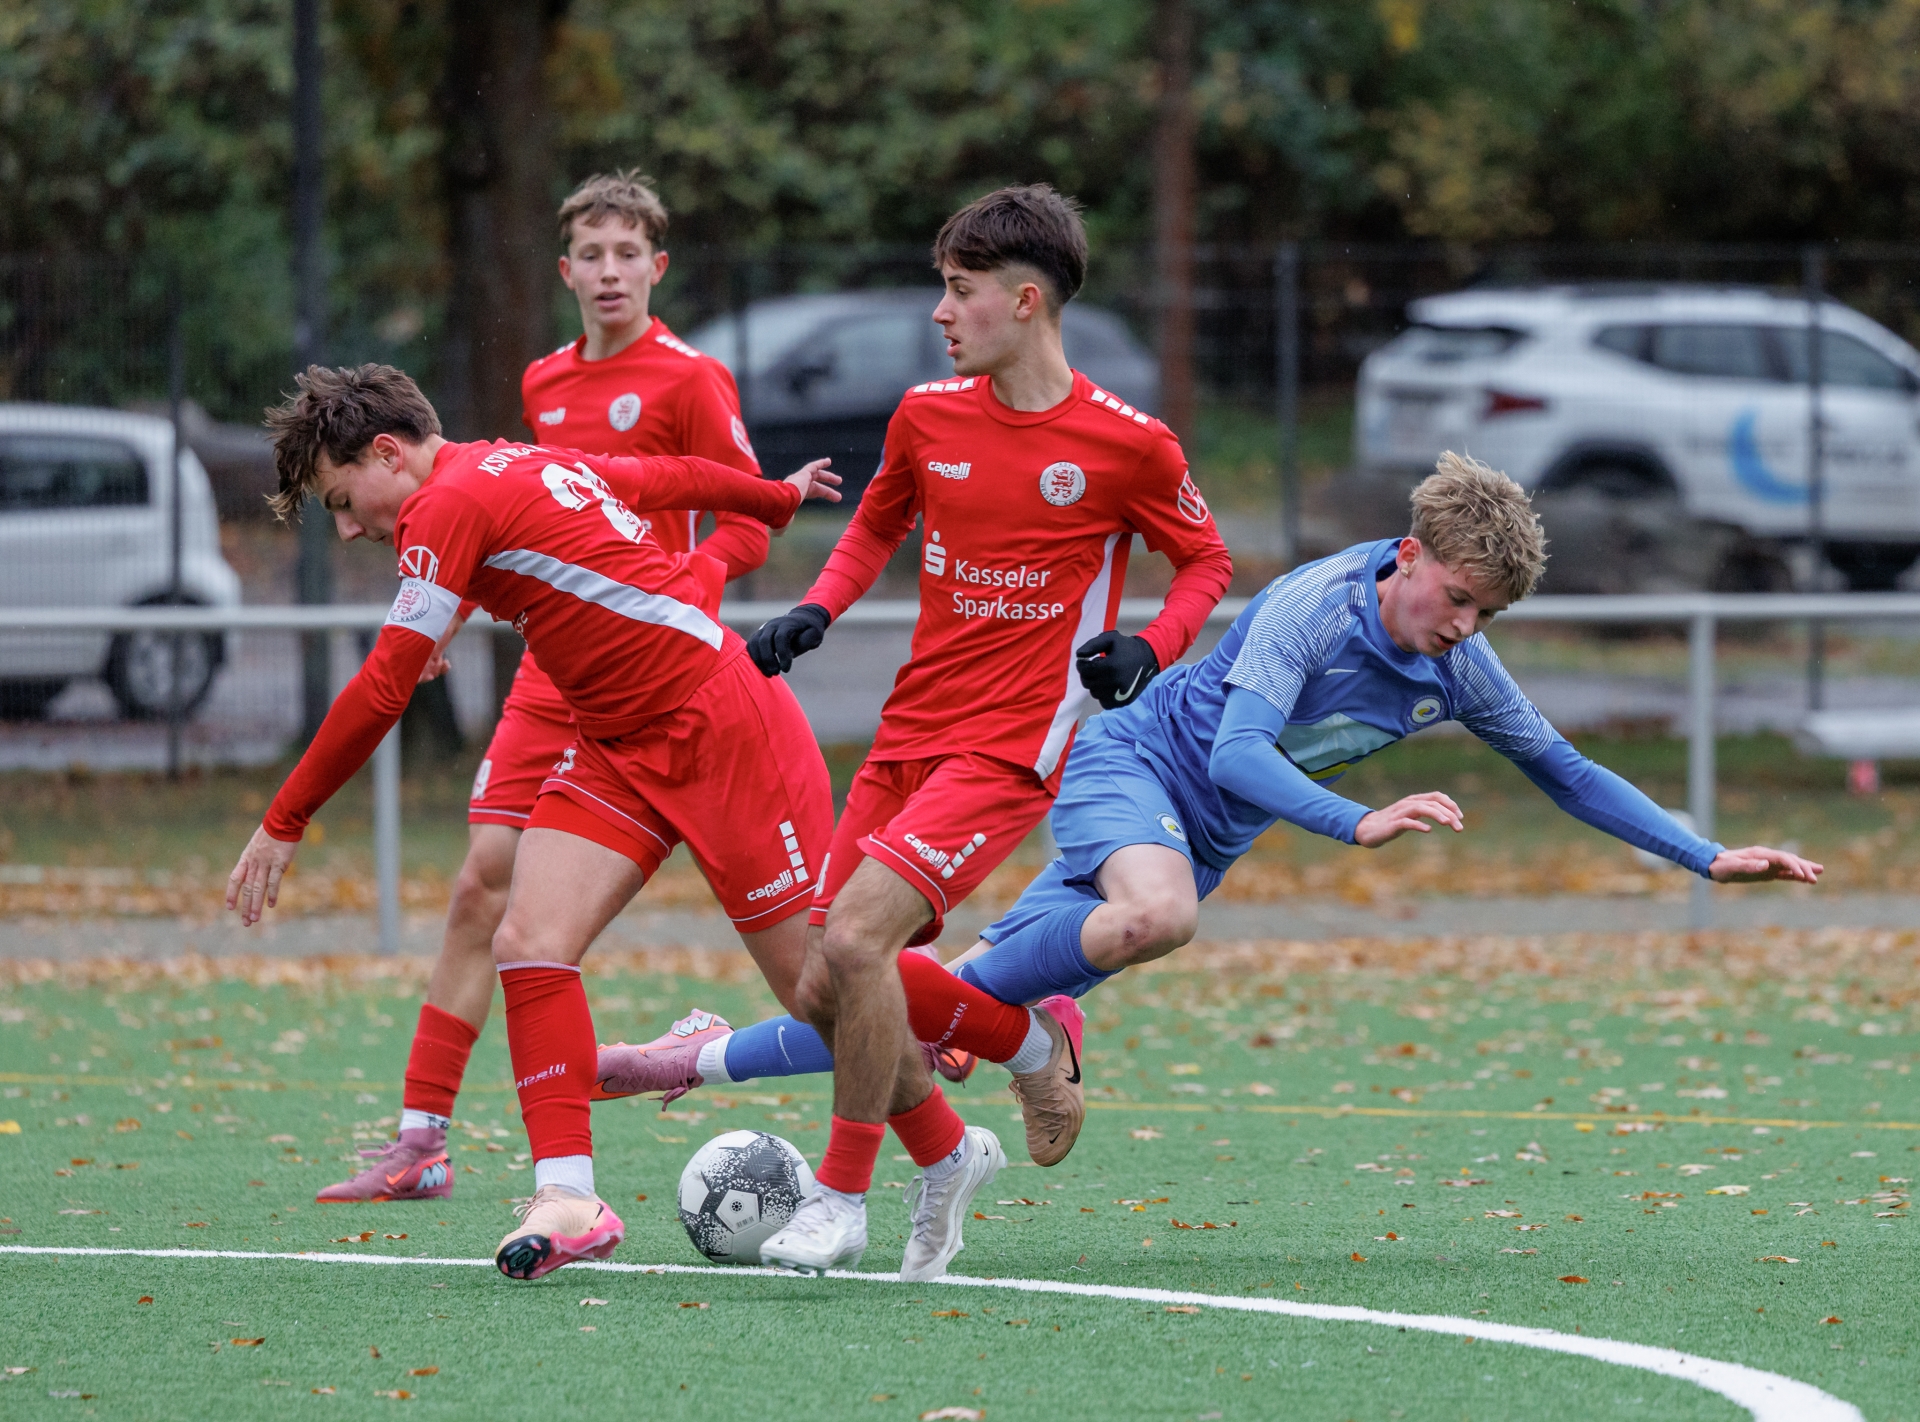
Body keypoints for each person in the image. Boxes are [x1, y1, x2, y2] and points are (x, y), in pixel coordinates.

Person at [226, 362, 842, 1280]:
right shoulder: (506, 462)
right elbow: (659, 479)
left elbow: (384, 686)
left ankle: (1000, 1029)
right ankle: (569, 1197)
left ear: (388, 453)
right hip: (617, 742)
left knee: (827, 994)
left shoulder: (445, 503)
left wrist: (285, 820)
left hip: (716, 724)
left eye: (343, 501)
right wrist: (774, 498)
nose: (348, 527)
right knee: (527, 940)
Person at [731, 184, 1234, 1279]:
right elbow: (874, 526)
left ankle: (840, 1199)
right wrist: (818, 607)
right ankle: (991, 1092)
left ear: (1025, 300)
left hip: (1011, 746)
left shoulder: (1128, 444)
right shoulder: (926, 415)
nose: (940, 312)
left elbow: (1206, 560)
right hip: (907, 731)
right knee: (822, 987)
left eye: (959, 292)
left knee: (858, 944)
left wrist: (1152, 646)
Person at [934, 454, 1823, 1072]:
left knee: (933, 1007)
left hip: (1204, 842)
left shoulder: (1462, 668)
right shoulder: (1312, 607)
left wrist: (1704, 854)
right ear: (1409, 556)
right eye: (1460, 598)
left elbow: (1568, 771)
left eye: (1487, 615)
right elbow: (1236, 755)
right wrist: (1356, 822)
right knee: (1158, 915)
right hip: (1135, 763)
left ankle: (984, 1016)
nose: (1466, 627)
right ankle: (1030, 1037)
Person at [317, 172, 777, 1207]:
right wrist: (445, 618)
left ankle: (885, 1019)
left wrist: (689, 585)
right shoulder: (544, 382)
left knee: (773, 922)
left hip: (655, 668)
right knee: (481, 883)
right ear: (565, 270)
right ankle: (421, 1138)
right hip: (551, 670)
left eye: (629, 255)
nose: (610, 273)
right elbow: (515, 522)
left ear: (657, 267)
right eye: (592, 255)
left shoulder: (693, 379)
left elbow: (744, 514)